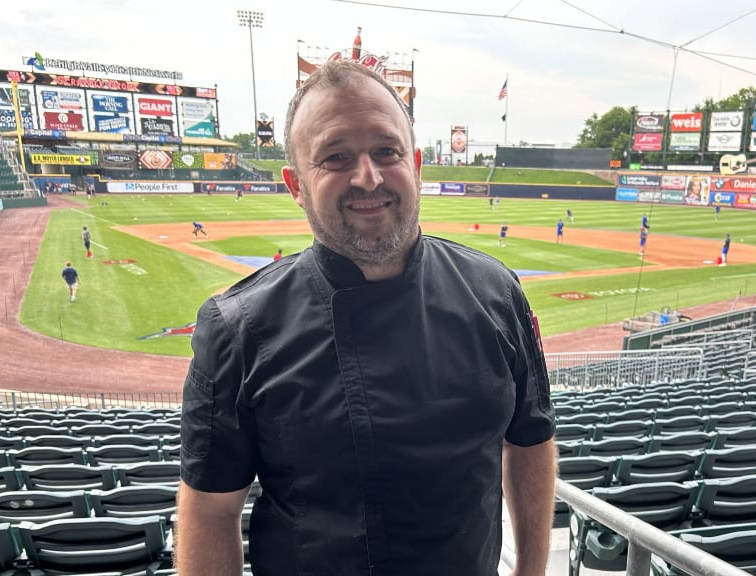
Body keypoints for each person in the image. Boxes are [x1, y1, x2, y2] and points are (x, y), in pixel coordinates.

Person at [176, 60, 556, 576]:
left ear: (416, 164)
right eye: (335, 157)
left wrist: (531, 572)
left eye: (386, 151)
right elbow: (211, 509)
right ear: (296, 184)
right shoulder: (237, 328)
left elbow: (531, 439)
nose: (369, 177)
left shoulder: (496, 293)